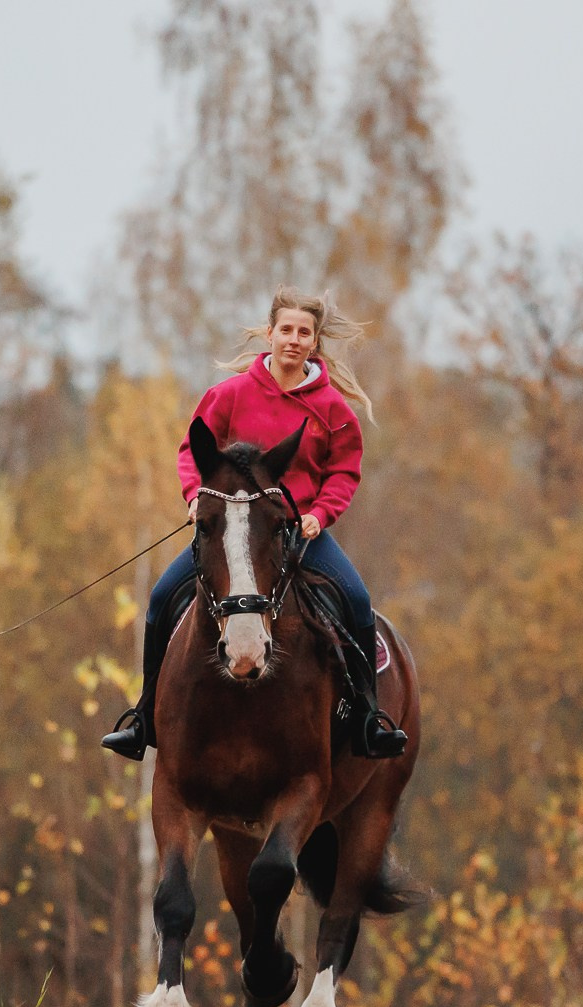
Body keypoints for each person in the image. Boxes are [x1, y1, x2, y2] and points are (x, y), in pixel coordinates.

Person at [102, 287, 408, 761]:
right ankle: (143, 717)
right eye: (285, 330)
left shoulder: (334, 410)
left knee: (357, 600)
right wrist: (193, 499)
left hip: (299, 534)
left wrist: (318, 514)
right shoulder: (228, 396)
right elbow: (191, 452)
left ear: (314, 341)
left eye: (303, 332)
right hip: (230, 533)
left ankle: (369, 717)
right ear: (270, 334)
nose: (293, 339)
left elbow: (344, 471)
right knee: (163, 596)